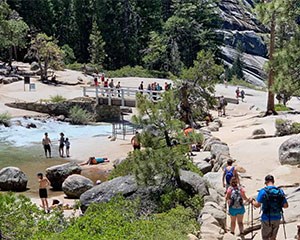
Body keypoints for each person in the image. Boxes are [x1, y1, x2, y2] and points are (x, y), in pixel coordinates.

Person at [251, 175, 288, 240]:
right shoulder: (280, 191)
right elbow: (286, 206)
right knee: (273, 238)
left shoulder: (263, 191)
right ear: (273, 181)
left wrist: (252, 201)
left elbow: (257, 205)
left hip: (266, 218)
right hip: (277, 217)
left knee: (265, 238)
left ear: (265, 182)